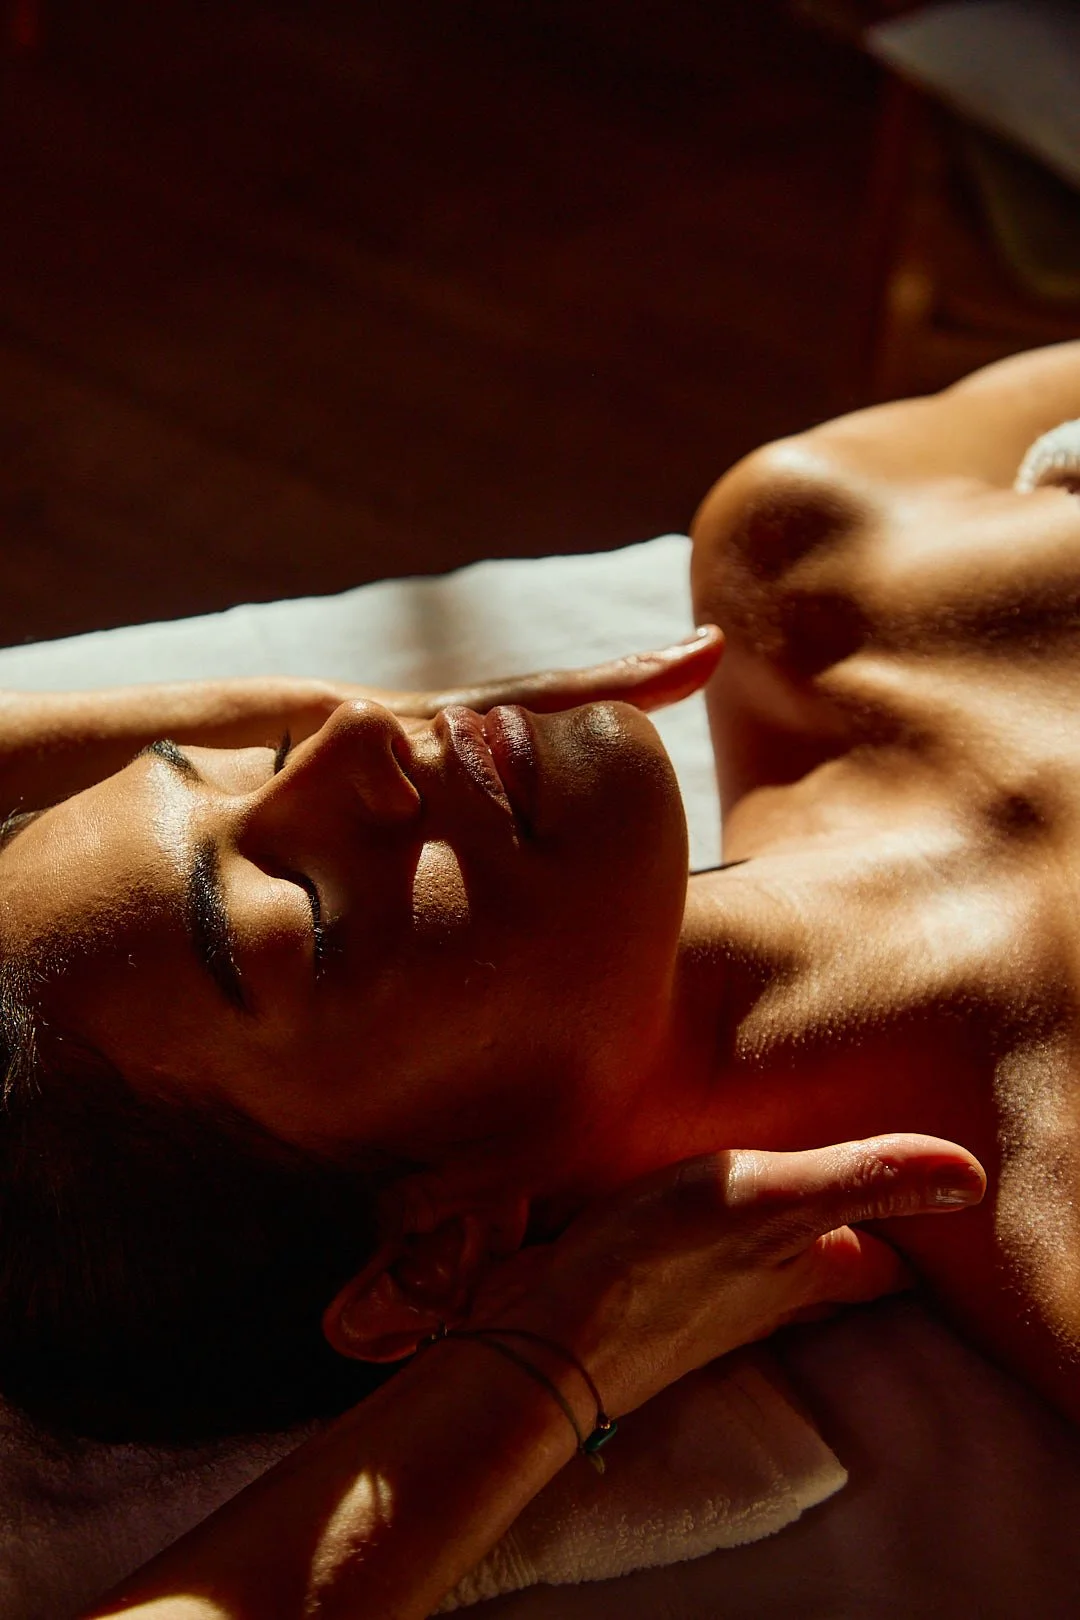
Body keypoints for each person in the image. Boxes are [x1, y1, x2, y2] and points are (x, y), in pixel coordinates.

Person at [4, 338, 1080, 1612]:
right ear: (438, 1259)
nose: (353, 734)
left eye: (246, 758)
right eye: (302, 904)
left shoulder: (821, 546)